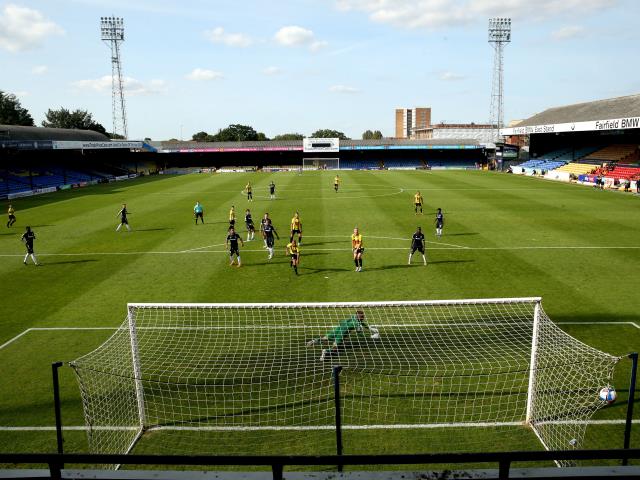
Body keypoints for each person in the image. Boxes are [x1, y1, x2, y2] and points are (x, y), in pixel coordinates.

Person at [306, 310, 379, 361]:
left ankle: (313, 341)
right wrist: (371, 337)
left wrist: (369, 328)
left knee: (325, 338)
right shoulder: (357, 324)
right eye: (362, 316)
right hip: (341, 334)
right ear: (359, 317)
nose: (364, 317)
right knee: (335, 349)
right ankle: (325, 352)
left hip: (336, 330)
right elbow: (360, 334)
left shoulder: (353, 317)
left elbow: (360, 323)